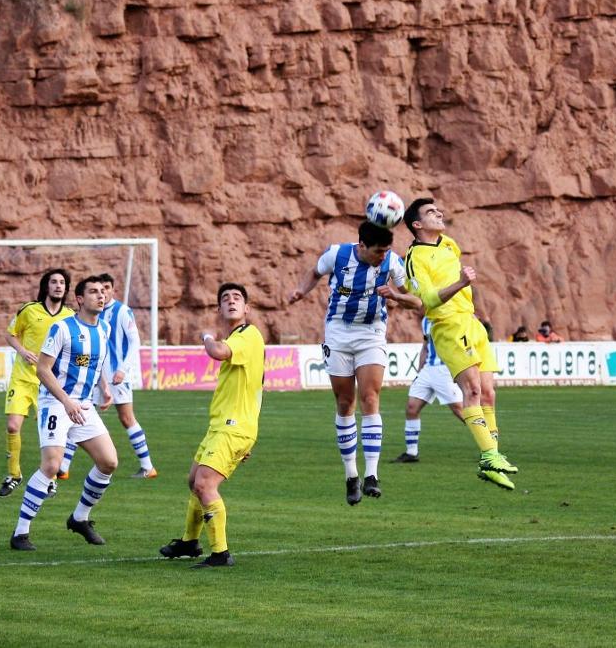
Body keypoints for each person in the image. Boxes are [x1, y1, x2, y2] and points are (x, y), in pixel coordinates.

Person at [287, 221, 421, 504]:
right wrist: (301, 291)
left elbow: (416, 301)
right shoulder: (336, 255)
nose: (383, 256)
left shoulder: (393, 263)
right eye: (377, 252)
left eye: (386, 251)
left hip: (372, 333)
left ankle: (371, 475)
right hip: (338, 331)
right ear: (362, 246)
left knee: (370, 397)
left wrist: (396, 295)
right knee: (345, 402)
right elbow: (314, 272)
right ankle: (351, 476)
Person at [403, 198, 517, 489]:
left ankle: (493, 455)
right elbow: (426, 301)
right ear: (417, 225)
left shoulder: (449, 245)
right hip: (449, 325)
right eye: (430, 212)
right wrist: (461, 284)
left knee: (489, 393)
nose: (439, 213)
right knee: (473, 390)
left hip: (471, 321)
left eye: (438, 210)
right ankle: (489, 456)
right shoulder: (414, 258)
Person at [159, 283, 266, 568]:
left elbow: (217, 352)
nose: (231, 301)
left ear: (247, 309)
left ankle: (221, 554)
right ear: (219, 309)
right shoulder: (240, 339)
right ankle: (189, 542)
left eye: (237, 298)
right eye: (225, 299)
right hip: (224, 426)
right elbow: (258, 387)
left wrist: (207, 336)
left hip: (233, 427)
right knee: (193, 480)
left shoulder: (248, 334)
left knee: (205, 484)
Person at [10, 278, 119, 551]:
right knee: (51, 465)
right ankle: (20, 534)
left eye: (103, 292)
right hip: (56, 403)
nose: (101, 296)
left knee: (109, 462)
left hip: (83, 405)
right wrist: (66, 402)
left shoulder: (104, 329)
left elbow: (97, 364)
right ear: (80, 299)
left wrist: (104, 388)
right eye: (93, 292)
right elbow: (43, 369)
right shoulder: (62, 328)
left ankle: (79, 518)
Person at [0, 269, 74, 497]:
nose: (58, 286)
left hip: (50, 383)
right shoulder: (29, 310)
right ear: (46, 286)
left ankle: (49, 477)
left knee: (50, 434)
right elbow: (11, 334)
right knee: (13, 426)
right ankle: (14, 475)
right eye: (54, 282)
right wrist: (22, 351)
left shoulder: (70, 316)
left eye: (62, 282)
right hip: (23, 378)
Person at [77, 272, 157, 479]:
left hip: (116, 375)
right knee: (79, 414)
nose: (102, 293)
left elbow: (134, 342)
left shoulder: (122, 311)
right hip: (96, 375)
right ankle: (61, 469)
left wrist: (122, 369)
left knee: (126, 417)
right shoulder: (94, 311)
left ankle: (148, 466)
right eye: (98, 289)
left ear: (113, 290)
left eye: (106, 289)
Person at [393, 316, 464, 463]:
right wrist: (419, 372)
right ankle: (411, 453)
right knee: (411, 408)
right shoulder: (426, 320)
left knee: (460, 410)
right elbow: (425, 346)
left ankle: (488, 447)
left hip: (445, 370)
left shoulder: (450, 316)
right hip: (427, 370)